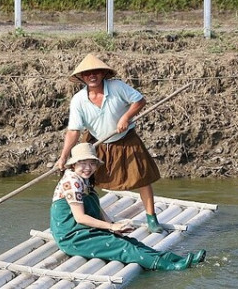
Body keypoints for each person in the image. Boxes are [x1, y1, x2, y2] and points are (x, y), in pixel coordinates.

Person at [50, 143, 205, 271]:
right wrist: (111, 226)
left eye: (92, 163)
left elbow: (96, 208)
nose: (88, 168)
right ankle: (170, 267)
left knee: (132, 242)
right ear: (74, 164)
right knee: (123, 247)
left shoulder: (85, 180)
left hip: (86, 230)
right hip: (73, 236)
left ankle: (176, 259)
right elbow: (80, 217)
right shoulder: (72, 182)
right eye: (83, 163)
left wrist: (113, 227)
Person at [55, 53, 165, 233]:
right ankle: (88, 217)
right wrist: (64, 156)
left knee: (142, 177)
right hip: (96, 143)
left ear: (103, 74)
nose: (92, 76)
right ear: (82, 77)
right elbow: (74, 130)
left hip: (125, 138)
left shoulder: (117, 87)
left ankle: (151, 218)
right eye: (87, 73)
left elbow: (139, 100)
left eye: (96, 72)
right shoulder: (78, 100)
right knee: (86, 178)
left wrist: (126, 117)